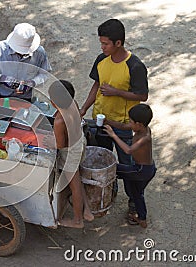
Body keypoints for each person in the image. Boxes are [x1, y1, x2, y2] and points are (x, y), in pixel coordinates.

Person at [79, 18, 149, 211]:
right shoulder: (101, 60)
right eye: (101, 43)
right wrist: (84, 108)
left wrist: (117, 92)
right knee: (103, 160)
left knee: (128, 166)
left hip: (123, 126)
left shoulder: (134, 66)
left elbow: (142, 95)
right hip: (100, 120)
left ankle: (134, 201)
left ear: (118, 43)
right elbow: (96, 85)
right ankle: (110, 190)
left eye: (105, 43)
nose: (102, 47)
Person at [47, 80, 94, 228]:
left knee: (74, 186)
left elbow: (60, 145)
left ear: (54, 102)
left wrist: (50, 142)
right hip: (79, 142)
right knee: (77, 178)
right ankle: (87, 211)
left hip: (70, 153)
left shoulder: (59, 121)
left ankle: (77, 220)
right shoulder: (72, 103)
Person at [104, 104, 156, 228]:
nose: (129, 124)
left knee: (111, 169)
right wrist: (108, 121)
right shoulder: (142, 128)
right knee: (137, 193)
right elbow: (122, 126)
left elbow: (128, 150)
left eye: (131, 122)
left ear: (139, 124)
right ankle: (142, 219)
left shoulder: (145, 137)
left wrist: (113, 135)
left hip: (141, 171)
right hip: (146, 169)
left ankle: (104, 196)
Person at [0, 22, 51, 102]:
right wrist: (1, 78)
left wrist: (33, 82)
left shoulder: (39, 53)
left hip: (25, 99)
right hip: (1, 96)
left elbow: (45, 73)